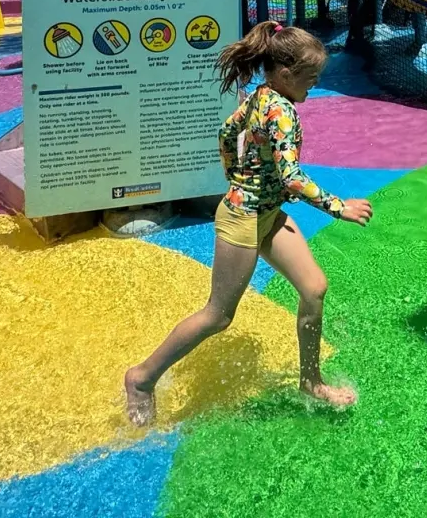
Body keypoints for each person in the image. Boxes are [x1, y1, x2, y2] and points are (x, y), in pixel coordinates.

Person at [124, 22, 372, 426]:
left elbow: (227, 132)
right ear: (287, 74)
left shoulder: (262, 94)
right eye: (311, 78)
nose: (314, 85)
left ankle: (311, 381)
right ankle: (142, 377)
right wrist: (338, 207)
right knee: (218, 315)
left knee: (314, 289)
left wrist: (235, 173)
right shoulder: (282, 111)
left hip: (266, 214)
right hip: (243, 220)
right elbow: (292, 177)